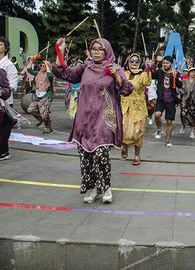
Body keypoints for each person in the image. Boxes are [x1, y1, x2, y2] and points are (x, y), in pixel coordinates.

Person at [52, 37, 133, 204]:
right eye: (93, 48)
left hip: (105, 118)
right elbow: (64, 73)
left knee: (100, 153)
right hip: (85, 118)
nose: (96, 51)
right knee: (86, 155)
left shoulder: (115, 68)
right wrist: (60, 51)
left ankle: (106, 187)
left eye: (100, 49)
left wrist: (116, 76)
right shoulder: (84, 67)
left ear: (107, 51)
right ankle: (93, 188)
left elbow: (126, 90)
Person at [121, 53, 152, 165]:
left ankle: (137, 155)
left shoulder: (143, 74)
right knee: (123, 130)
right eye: (131, 61)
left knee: (138, 132)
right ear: (128, 63)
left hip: (139, 109)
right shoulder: (123, 74)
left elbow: (147, 82)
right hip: (125, 107)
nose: (134, 63)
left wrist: (149, 68)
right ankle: (124, 146)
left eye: (136, 61)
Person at [153, 56, 182, 147]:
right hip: (161, 99)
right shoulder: (160, 72)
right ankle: (159, 129)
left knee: (169, 122)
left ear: (171, 64)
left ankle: (168, 140)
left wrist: (175, 77)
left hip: (171, 100)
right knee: (157, 114)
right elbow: (152, 75)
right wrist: (151, 65)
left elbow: (180, 85)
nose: (165, 64)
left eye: (167, 63)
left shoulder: (175, 73)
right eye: (164, 63)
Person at [0, 37, 18, 161]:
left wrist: (3, 91)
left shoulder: (8, 64)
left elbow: (13, 85)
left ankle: (4, 152)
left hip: (5, 102)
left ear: (5, 48)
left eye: (0, 44)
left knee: (4, 128)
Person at [26, 58, 55, 134]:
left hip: (46, 96)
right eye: (41, 65)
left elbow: (50, 75)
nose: (42, 67)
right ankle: (41, 119)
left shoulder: (49, 75)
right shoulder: (38, 73)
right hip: (37, 96)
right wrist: (31, 61)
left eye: (43, 66)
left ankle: (49, 128)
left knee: (44, 113)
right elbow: (29, 70)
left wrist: (47, 66)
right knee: (30, 110)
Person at [179, 67, 195, 138]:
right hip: (185, 100)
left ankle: (192, 132)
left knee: (193, 116)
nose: (193, 73)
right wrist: (182, 92)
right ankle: (183, 125)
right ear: (189, 73)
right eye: (191, 72)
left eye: (194, 72)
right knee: (183, 114)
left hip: (193, 100)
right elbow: (182, 88)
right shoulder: (185, 80)